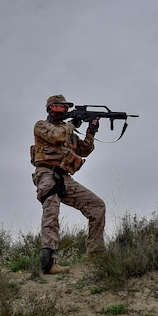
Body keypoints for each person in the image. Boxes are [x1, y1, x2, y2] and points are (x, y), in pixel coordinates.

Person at [31, 94, 107, 274]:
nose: (61, 111)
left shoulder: (68, 132)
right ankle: (49, 264)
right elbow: (56, 136)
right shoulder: (42, 125)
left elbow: (85, 150)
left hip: (65, 178)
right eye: (58, 108)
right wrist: (72, 124)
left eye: (64, 108)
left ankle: (96, 255)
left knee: (97, 206)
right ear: (49, 109)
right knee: (51, 213)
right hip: (46, 174)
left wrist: (92, 131)